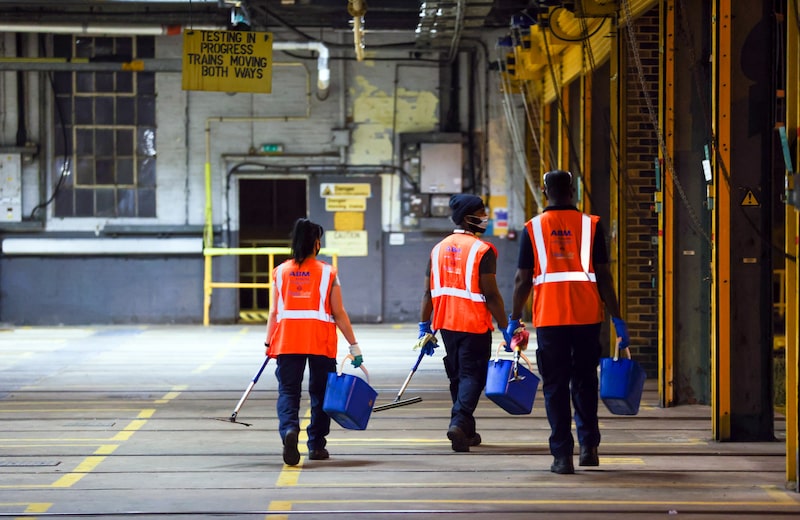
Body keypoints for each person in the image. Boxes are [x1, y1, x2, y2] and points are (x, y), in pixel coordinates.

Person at [508, 169, 630, 474]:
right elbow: (604, 276)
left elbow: (522, 279)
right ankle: (589, 448)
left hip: (550, 319)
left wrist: (514, 319)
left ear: (543, 190)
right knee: (585, 381)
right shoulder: (591, 226)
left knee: (555, 386)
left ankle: (562, 456)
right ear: (573, 190)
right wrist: (617, 319)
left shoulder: (533, 228)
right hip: (588, 318)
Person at [264, 218, 363, 466]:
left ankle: (289, 430)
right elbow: (339, 312)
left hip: (287, 341)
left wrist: (268, 343)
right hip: (320, 342)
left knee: (288, 391)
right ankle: (316, 445)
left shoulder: (280, 272)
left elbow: (274, 313)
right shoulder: (328, 273)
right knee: (320, 394)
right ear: (316, 244)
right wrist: (354, 345)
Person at [419, 194, 512, 453]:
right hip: (473, 323)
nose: (485, 218)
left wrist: (424, 326)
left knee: (459, 375)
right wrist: (506, 325)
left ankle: (466, 431)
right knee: (473, 376)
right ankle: (459, 421)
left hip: (446, 323)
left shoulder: (438, 248)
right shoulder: (482, 250)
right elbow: (491, 294)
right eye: (481, 213)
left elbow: (427, 292)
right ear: (468, 218)